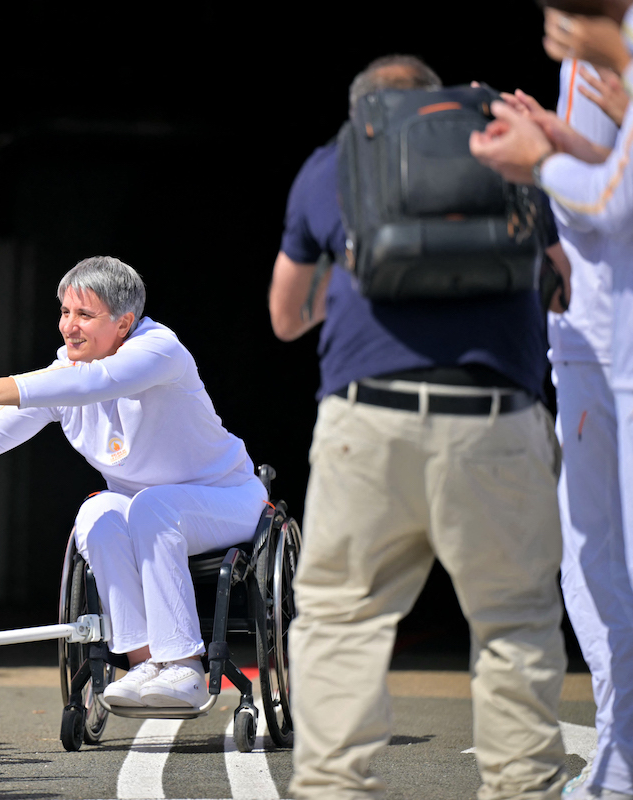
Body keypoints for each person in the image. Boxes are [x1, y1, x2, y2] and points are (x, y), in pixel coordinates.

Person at [273, 55, 568, 799]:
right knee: (514, 625)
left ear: (363, 115)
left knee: (344, 622)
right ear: (437, 105)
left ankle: (335, 789)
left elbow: (285, 317)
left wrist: (343, 287)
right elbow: (561, 282)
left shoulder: (330, 165)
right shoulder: (506, 150)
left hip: (367, 422)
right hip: (497, 422)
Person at [0, 256, 268, 710]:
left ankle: (184, 665)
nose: (69, 326)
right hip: (146, 509)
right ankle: (145, 662)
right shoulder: (64, 372)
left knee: (151, 506)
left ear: (124, 323)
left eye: (85, 315)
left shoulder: (160, 349)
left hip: (227, 499)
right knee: (96, 512)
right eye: (65, 312)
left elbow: (97, 383)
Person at [469, 6, 633, 797]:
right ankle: (620, 748)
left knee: (606, 560)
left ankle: (623, 755)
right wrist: (553, 139)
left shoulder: (617, 51)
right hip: (590, 341)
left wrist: (539, 161)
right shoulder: (591, 59)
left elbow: (618, 203)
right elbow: (612, 171)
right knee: (592, 560)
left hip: (614, 342)